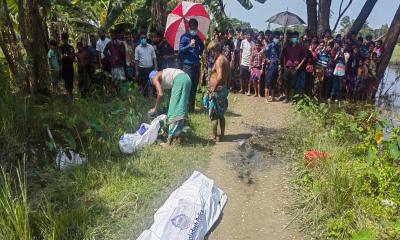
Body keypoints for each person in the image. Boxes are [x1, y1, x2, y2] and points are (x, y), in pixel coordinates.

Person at [148, 68, 192, 146]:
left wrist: (155, 108)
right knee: (181, 108)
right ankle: (179, 137)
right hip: (187, 79)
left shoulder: (155, 78)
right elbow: (164, 95)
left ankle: (169, 142)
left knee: (173, 112)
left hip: (180, 81)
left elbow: (160, 94)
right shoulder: (163, 75)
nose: (154, 84)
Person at [205, 41, 230, 143]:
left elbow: (219, 77)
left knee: (214, 114)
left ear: (214, 50)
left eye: (211, 51)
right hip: (223, 89)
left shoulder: (219, 60)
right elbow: (229, 75)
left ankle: (213, 136)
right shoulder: (225, 59)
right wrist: (226, 87)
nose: (211, 54)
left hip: (217, 90)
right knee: (221, 114)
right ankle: (222, 135)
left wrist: (213, 89)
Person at [179, 18, 205, 112]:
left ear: (197, 28)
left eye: (195, 27)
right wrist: (189, 45)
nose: (193, 29)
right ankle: (184, 108)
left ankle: (191, 108)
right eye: (192, 27)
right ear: (189, 27)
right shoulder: (184, 37)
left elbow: (202, 46)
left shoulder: (197, 38)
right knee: (187, 87)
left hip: (196, 65)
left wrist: (199, 53)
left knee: (194, 87)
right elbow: (180, 51)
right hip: (187, 66)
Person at [282, 31, 305, 102]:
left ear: (297, 38)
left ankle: (291, 98)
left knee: (293, 84)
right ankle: (286, 98)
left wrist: (299, 66)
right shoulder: (287, 46)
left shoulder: (300, 47)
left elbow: (304, 57)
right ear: (290, 38)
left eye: (295, 37)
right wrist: (284, 66)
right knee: (286, 83)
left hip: (295, 68)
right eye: (293, 37)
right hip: (287, 67)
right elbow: (283, 56)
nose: (294, 38)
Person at [104, 29, 127, 93]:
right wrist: (109, 58)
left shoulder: (120, 43)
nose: (113, 36)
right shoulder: (109, 43)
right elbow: (104, 51)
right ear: (111, 36)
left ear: (116, 35)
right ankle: (116, 92)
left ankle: (121, 92)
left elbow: (124, 52)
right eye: (112, 35)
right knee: (115, 79)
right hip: (113, 64)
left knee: (122, 79)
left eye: (114, 34)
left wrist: (118, 46)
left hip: (120, 64)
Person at [264, 31, 281, 102]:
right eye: (276, 37)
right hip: (271, 65)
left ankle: (273, 96)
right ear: (273, 38)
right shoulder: (270, 45)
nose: (277, 39)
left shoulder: (278, 46)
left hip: (276, 65)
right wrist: (267, 60)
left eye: (278, 37)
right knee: (268, 81)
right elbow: (262, 52)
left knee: (274, 81)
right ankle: (266, 98)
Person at [60, 32, 75, 97]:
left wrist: (65, 56)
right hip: (68, 66)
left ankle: (69, 93)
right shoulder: (69, 47)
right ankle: (69, 93)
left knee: (68, 80)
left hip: (66, 66)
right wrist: (68, 56)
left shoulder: (62, 48)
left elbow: (71, 57)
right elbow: (61, 57)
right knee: (69, 80)